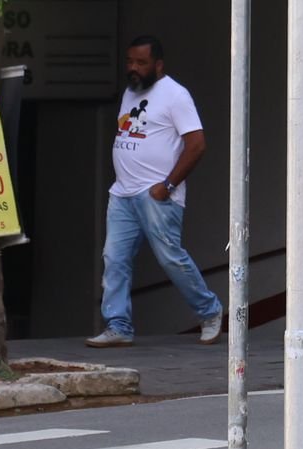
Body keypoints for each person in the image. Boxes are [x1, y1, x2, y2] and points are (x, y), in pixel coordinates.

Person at [87, 35, 223, 348]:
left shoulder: (176, 95)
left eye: (141, 63)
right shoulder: (130, 91)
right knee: (114, 258)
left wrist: (168, 185)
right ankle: (118, 325)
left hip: (156, 195)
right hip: (122, 193)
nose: (133, 68)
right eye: (130, 61)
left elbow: (197, 144)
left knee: (171, 258)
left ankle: (210, 310)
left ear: (158, 65)